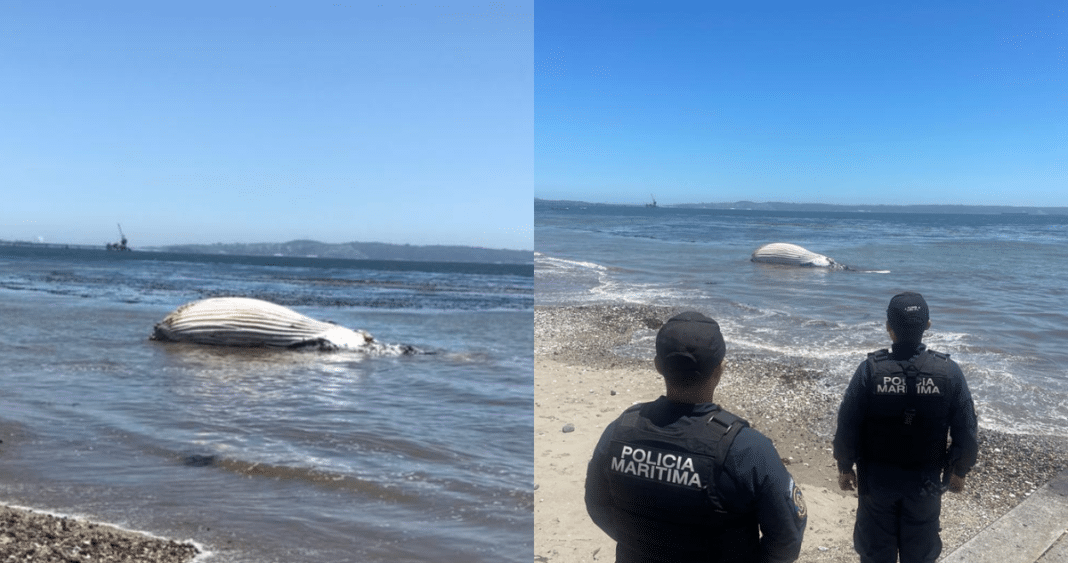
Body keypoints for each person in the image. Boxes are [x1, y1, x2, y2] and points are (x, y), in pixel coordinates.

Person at [585, 311, 807, 563]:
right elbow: (786, 540)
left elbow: (597, 505)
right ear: (720, 370)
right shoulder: (746, 449)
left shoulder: (620, 430)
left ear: (658, 365)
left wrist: (648, 544)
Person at [833, 292, 979, 563]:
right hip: (924, 483)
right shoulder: (948, 372)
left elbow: (847, 425)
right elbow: (967, 430)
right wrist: (960, 471)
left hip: (877, 483)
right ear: (928, 325)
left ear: (889, 328)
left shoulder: (870, 370)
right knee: (920, 555)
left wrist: (844, 467)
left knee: (876, 554)